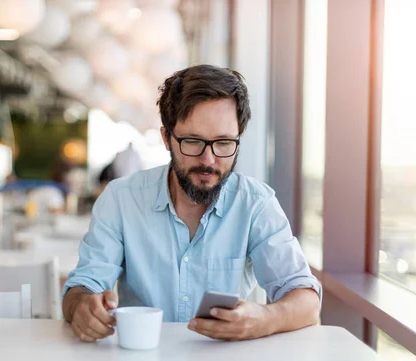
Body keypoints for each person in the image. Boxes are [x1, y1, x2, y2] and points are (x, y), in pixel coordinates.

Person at [62, 65, 321, 343]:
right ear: (166, 138)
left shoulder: (255, 204)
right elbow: (80, 289)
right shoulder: (121, 199)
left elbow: (306, 300)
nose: (208, 160)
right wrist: (83, 307)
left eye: (223, 143)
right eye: (193, 141)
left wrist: (264, 320)